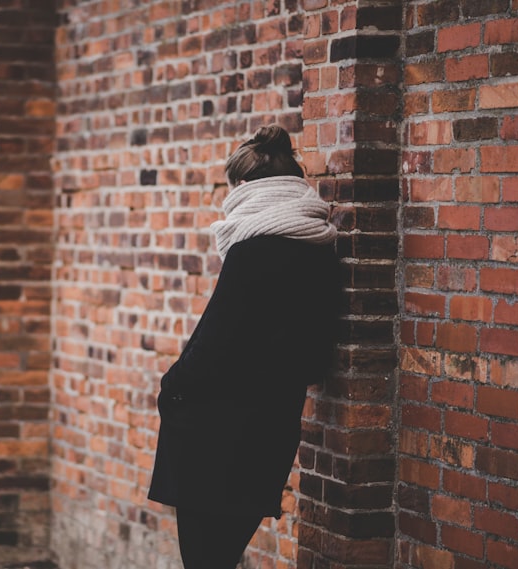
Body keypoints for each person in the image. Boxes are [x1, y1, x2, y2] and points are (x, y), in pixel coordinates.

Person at [147, 125, 341, 569]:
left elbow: (214, 341)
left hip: (215, 435)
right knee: (222, 557)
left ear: (247, 186)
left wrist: (171, 387)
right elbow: (314, 358)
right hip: (271, 431)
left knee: (204, 561)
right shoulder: (318, 246)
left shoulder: (254, 248)